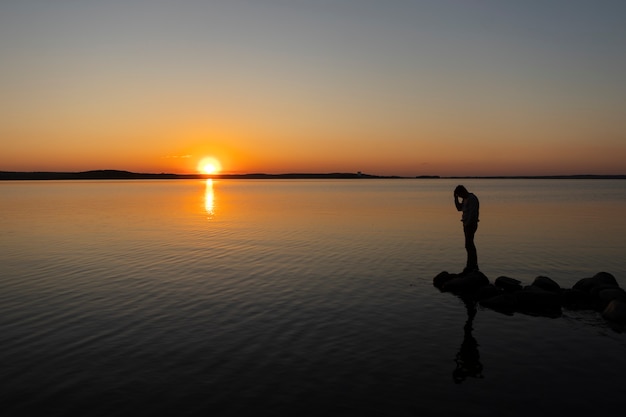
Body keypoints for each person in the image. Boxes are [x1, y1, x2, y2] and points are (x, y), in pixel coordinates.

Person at [454, 185, 479, 273]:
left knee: (469, 245)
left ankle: (473, 265)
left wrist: (468, 224)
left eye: (460, 195)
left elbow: (473, 214)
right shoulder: (465, 199)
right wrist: (455, 198)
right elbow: (459, 208)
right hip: (466, 225)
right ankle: (471, 264)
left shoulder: (472, 198)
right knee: (468, 245)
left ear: (463, 191)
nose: (460, 197)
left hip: (471, 225)